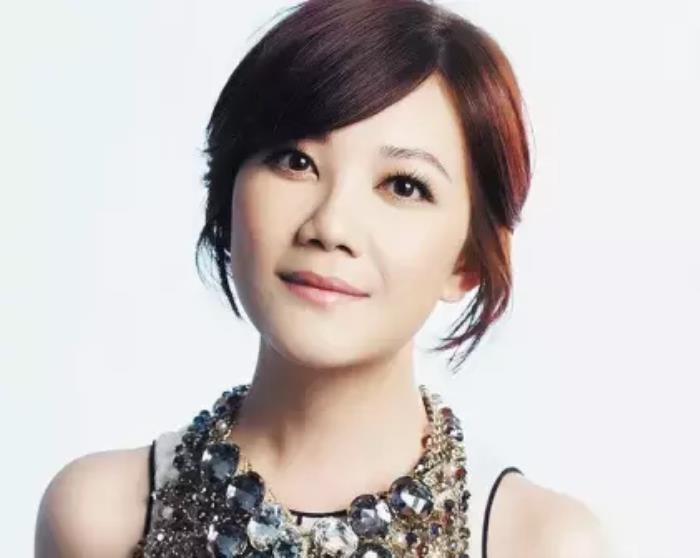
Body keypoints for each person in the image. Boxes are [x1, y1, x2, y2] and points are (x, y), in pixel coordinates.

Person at [35, 1, 611, 556]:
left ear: (468, 261)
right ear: (229, 195)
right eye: (295, 161)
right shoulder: (99, 519)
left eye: (403, 186)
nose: (330, 225)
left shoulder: (541, 544)